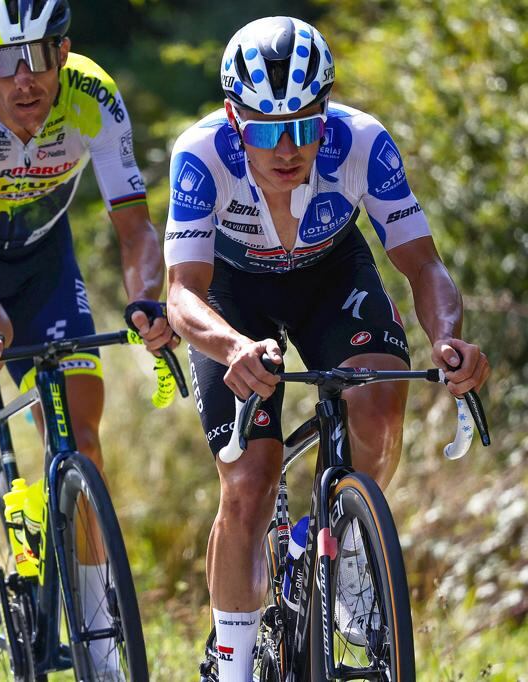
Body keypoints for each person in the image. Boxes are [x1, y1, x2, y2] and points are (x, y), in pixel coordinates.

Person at [163, 15, 491, 680]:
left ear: (327, 110)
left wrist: (450, 339)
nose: (288, 149)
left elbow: (424, 267)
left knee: (379, 402)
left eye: (306, 125)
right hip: (233, 293)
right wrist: (231, 347)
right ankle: (234, 659)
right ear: (233, 118)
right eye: (265, 131)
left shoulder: (362, 141)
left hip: (329, 275)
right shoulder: (200, 155)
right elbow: (181, 295)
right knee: (250, 482)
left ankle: (349, 559)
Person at [0, 0, 173, 674]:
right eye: (3, 61)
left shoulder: (94, 98)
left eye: (41, 57)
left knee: (81, 435)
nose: (26, 79)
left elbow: (136, 229)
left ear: (66, 52)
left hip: (46, 259)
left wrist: (145, 299)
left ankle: (97, 632)